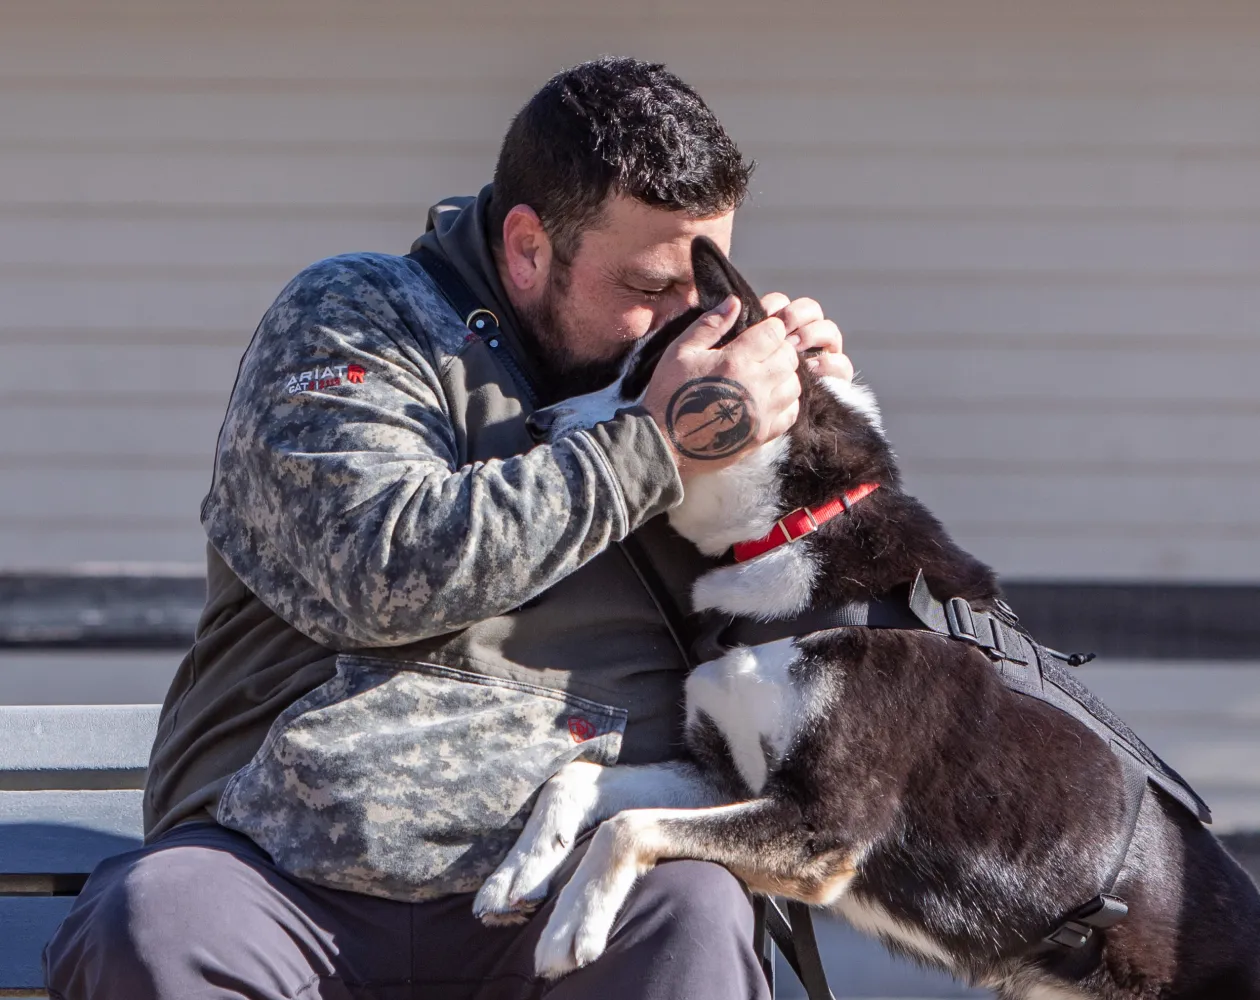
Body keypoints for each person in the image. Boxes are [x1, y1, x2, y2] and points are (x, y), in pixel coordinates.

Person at [43, 57, 853, 1000]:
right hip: (285, 873)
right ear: (526, 246)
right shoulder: (358, 319)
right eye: (649, 285)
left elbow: (807, 650)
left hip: (579, 877)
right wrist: (660, 447)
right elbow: (376, 566)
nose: (687, 323)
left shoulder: (691, 389)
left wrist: (807, 452)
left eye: (709, 281)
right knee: (158, 923)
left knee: (695, 917)